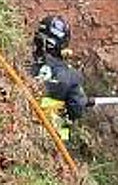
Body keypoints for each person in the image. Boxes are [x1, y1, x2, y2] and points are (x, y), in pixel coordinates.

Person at [32, 15, 91, 144]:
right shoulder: (71, 76)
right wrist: (81, 102)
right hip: (53, 140)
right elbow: (76, 109)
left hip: (24, 131)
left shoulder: (19, 62)